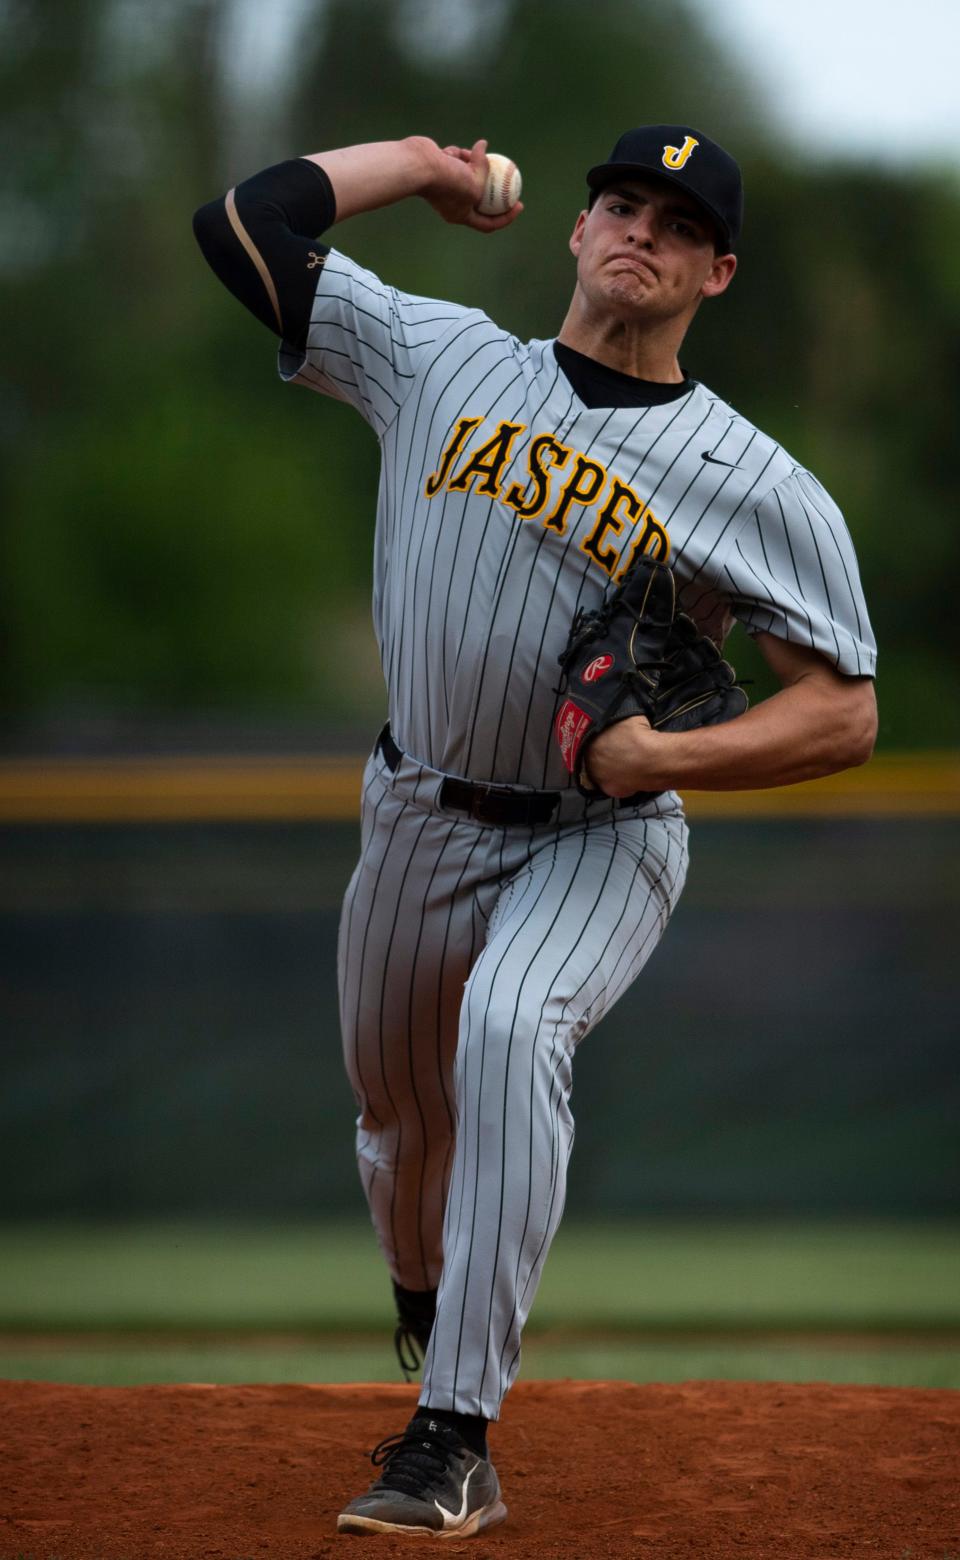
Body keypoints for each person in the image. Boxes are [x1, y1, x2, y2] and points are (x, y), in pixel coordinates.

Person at [193, 125, 877, 1538]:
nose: (643, 231)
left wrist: (668, 753)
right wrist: (423, 165)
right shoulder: (437, 354)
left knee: (512, 1030)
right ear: (575, 230)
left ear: (718, 272)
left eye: (678, 224)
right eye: (622, 203)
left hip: (596, 833)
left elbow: (846, 716)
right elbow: (242, 227)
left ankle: (453, 1435)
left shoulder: (755, 481)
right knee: (396, 1123)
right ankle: (429, 1296)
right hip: (415, 814)